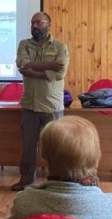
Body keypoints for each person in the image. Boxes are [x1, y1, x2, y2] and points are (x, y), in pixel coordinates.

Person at [11, 11, 69, 192]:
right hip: (30, 105)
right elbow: (23, 65)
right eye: (32, 23)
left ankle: (58, 182)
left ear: (48, 24)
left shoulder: (60, 46)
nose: (35, 26)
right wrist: (50, 66)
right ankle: (26, 180)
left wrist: (32, 70)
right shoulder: (24, 45)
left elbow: (60, 73)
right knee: (29, 147)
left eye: (39, 22)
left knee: (55, 146)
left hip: (52, 105)